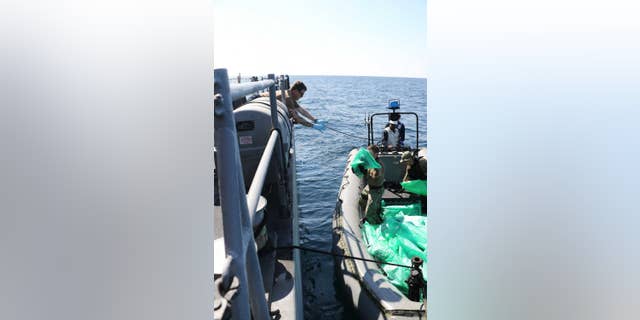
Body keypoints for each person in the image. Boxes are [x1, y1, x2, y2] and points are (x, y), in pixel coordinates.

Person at [361, 145, 385, 224]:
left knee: (370, 212)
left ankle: (377, 223)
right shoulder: (370, 162)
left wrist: (365, 171)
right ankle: (366, 213)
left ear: (376, 154)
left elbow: (375, 175)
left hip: (376, 190)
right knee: (362, 198)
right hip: (369, 187)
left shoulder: (378, 165)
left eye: (370, 154)